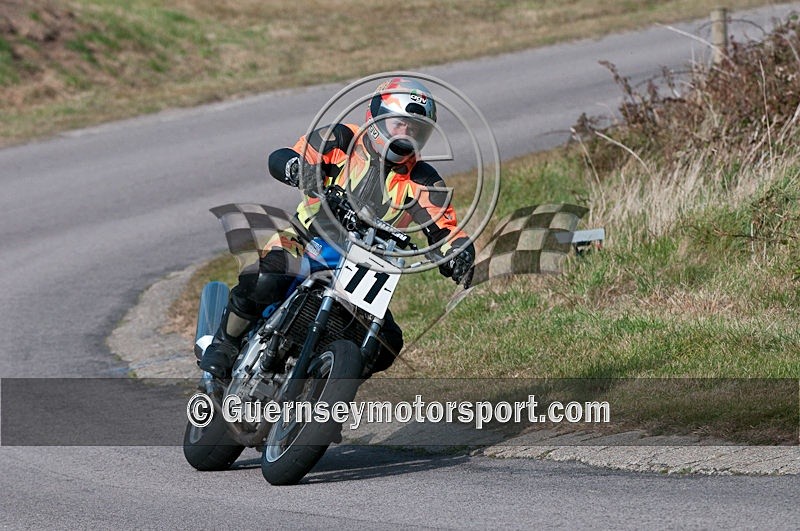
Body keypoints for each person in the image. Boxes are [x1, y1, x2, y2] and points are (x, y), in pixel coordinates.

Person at [199, 77, 475, 379]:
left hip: (365, 266)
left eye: (415, 130)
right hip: (305, 238)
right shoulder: (341, 139)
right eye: (400, 124)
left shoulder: (423, 179)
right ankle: (225, 343)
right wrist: (295, 167)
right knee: (265, 278)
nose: (406, 135)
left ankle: (323, 386)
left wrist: (459, 254)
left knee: (387, 344)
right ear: (376, 118)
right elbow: (289, 155)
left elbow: (446, 229)